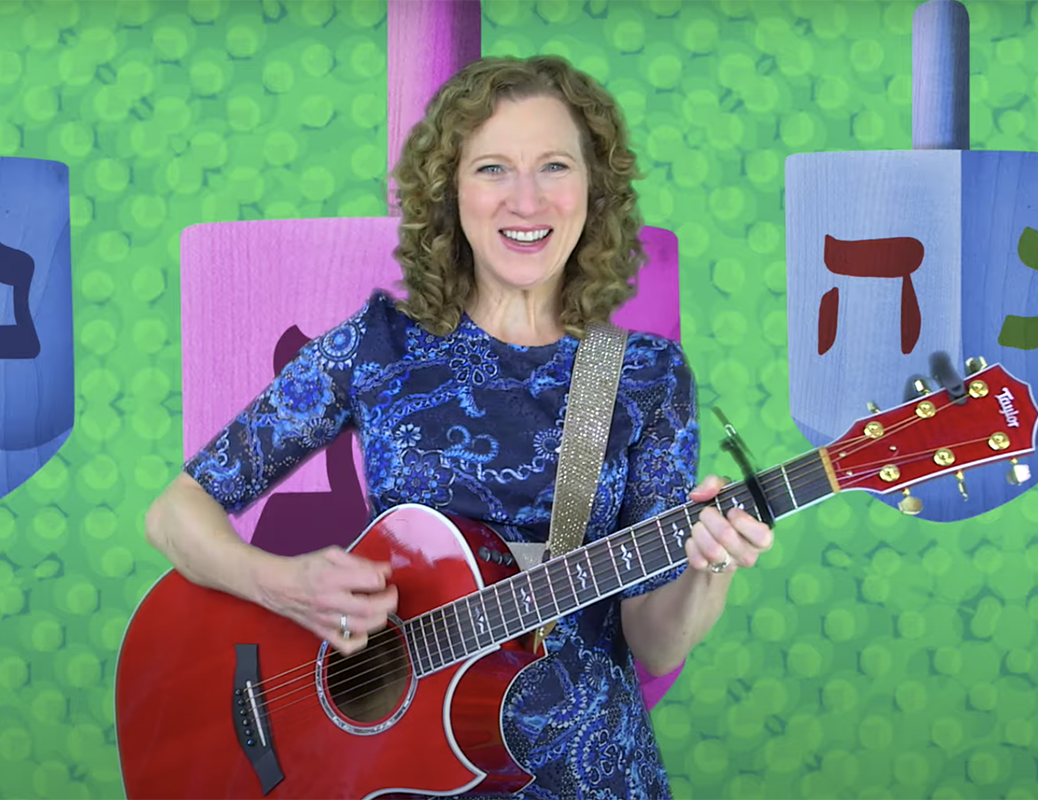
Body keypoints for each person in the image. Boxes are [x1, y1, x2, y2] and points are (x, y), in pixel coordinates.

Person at [145, 54, 774, 799]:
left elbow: (655, 642)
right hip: (393, 775)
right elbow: (175, 513)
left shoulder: (644, 375)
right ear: (449, 192)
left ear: (593, 189)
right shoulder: (379, 345)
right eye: (492, 169)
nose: (526, 199)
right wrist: (283, 585)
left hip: (591, 776)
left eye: (554, 166)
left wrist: (710, 567)